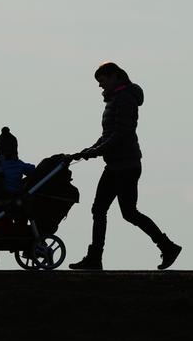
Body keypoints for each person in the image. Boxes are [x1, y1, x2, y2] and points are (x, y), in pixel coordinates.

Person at [68, 62, 181, 270]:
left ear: (116, 77)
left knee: (128, 212)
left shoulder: (125, 99)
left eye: (102, 81)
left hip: (126, 166)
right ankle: (95, 258)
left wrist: (96, 151)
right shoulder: (114, 100)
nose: (100, 86)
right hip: (115, 165)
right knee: (99, 209)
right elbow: (108, 135)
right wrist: (89, 150)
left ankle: (167, 246)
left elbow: (122, 133)